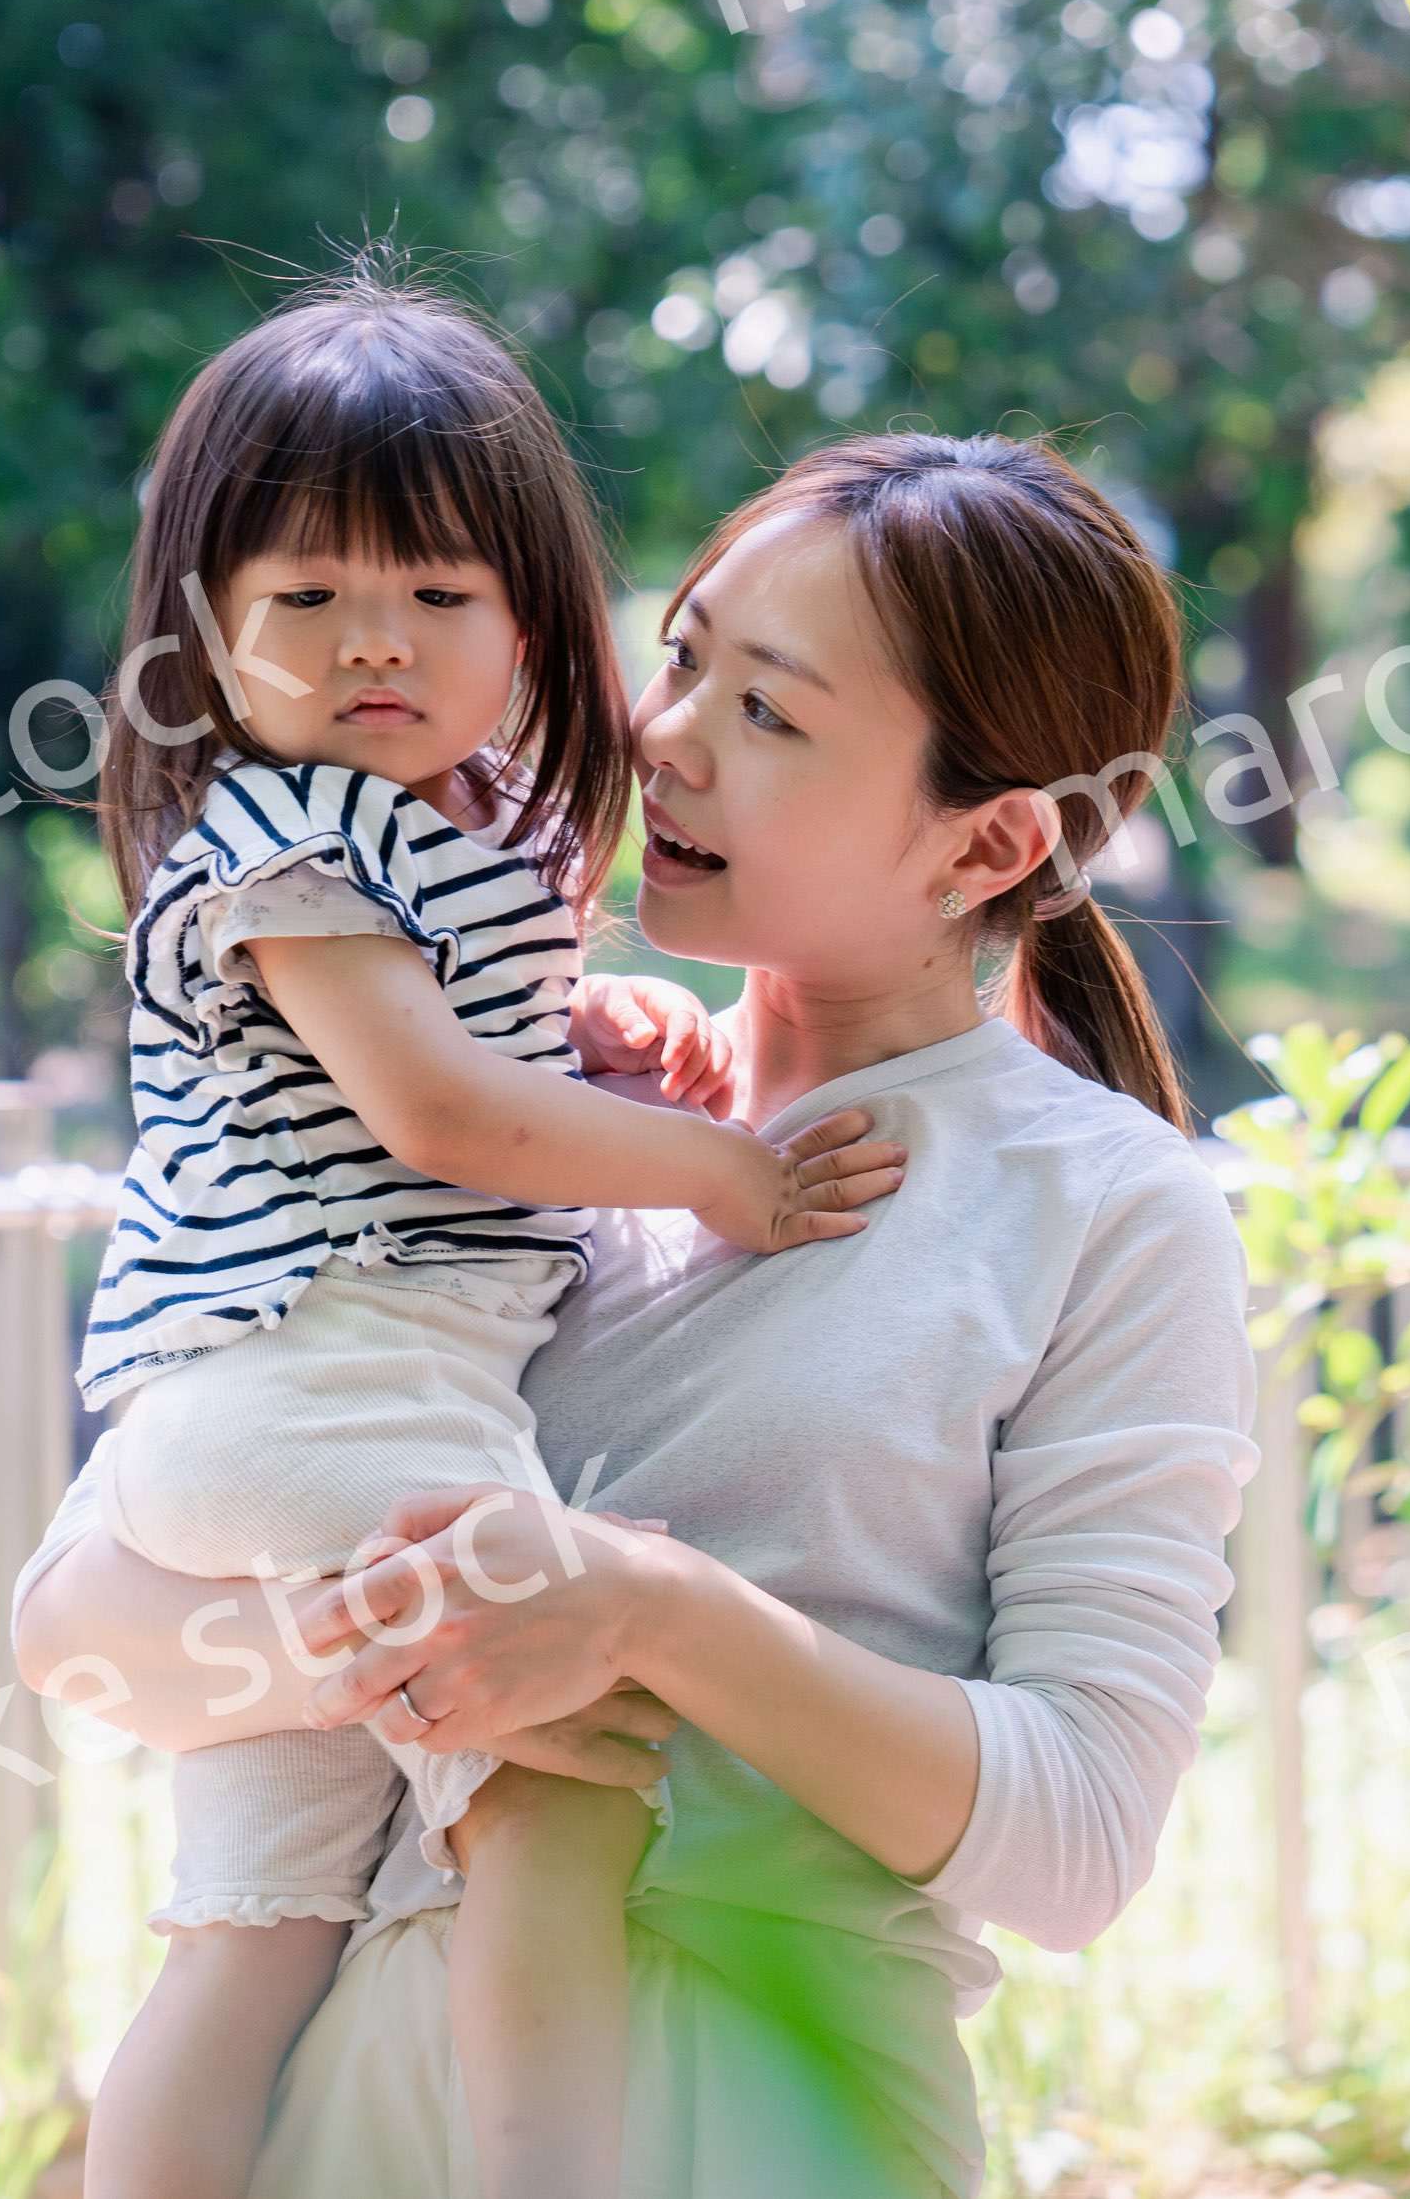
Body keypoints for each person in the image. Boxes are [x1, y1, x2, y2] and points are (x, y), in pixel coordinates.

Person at [14, 431, 1262, 2196]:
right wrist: (413, 1659)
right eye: (683, 656)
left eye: (772, 713)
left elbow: (1073, 1840)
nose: (667, 737)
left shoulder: (1104, 1209)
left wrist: (648, 1615)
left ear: (984, 842)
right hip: (326, 2123)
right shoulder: (498, 1103)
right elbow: (76, 1635)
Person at [60, 277, 904, 2199]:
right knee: (565, 1768)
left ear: (529, 612)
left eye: (441, 598)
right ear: (204, 635)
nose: (381, 643)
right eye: (311, 600)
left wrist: (579, 1031)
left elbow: (462, 1055)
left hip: (254, 1414)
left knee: (254, 1926)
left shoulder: (439, 834)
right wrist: (727, 1177)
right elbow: (435, 1112)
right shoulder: (289, 835)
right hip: (334, 1375)